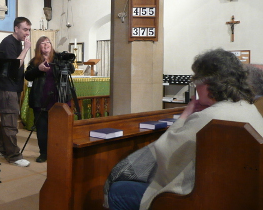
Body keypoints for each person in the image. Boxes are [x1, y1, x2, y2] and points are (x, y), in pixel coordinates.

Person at [106, 48, 263, 210]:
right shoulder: (249, 109)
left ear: (208, 83)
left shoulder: (210, 118)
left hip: (198, 200)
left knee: (119, 189)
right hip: (237, 197)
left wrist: (186, 114)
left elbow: (166, 154)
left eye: (197, 83)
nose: (196, 88)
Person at [24, 36, 74, 163]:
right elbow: (28, 76)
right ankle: (44, 153)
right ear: (38, 47)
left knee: (60, 128)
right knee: (42, 129)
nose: (46, 45)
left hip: (59, 98)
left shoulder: (58, 58)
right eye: (42, 43)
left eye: (48, 42)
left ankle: (59, 151)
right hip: (41, 99)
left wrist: (67, 61)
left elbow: (71, 70)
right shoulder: (35, 61)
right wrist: (38, 69)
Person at [0, 17, 32, 167]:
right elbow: (15, 65)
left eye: (29, 30)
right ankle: (14, 156)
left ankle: (3, 148)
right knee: (10, 122)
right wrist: (25, 49)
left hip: (13, 86)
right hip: (7, 87)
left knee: (7, 119)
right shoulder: (8, 42)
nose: (27, 33)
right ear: (16, 28)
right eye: (25, 29)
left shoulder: (16, 42)